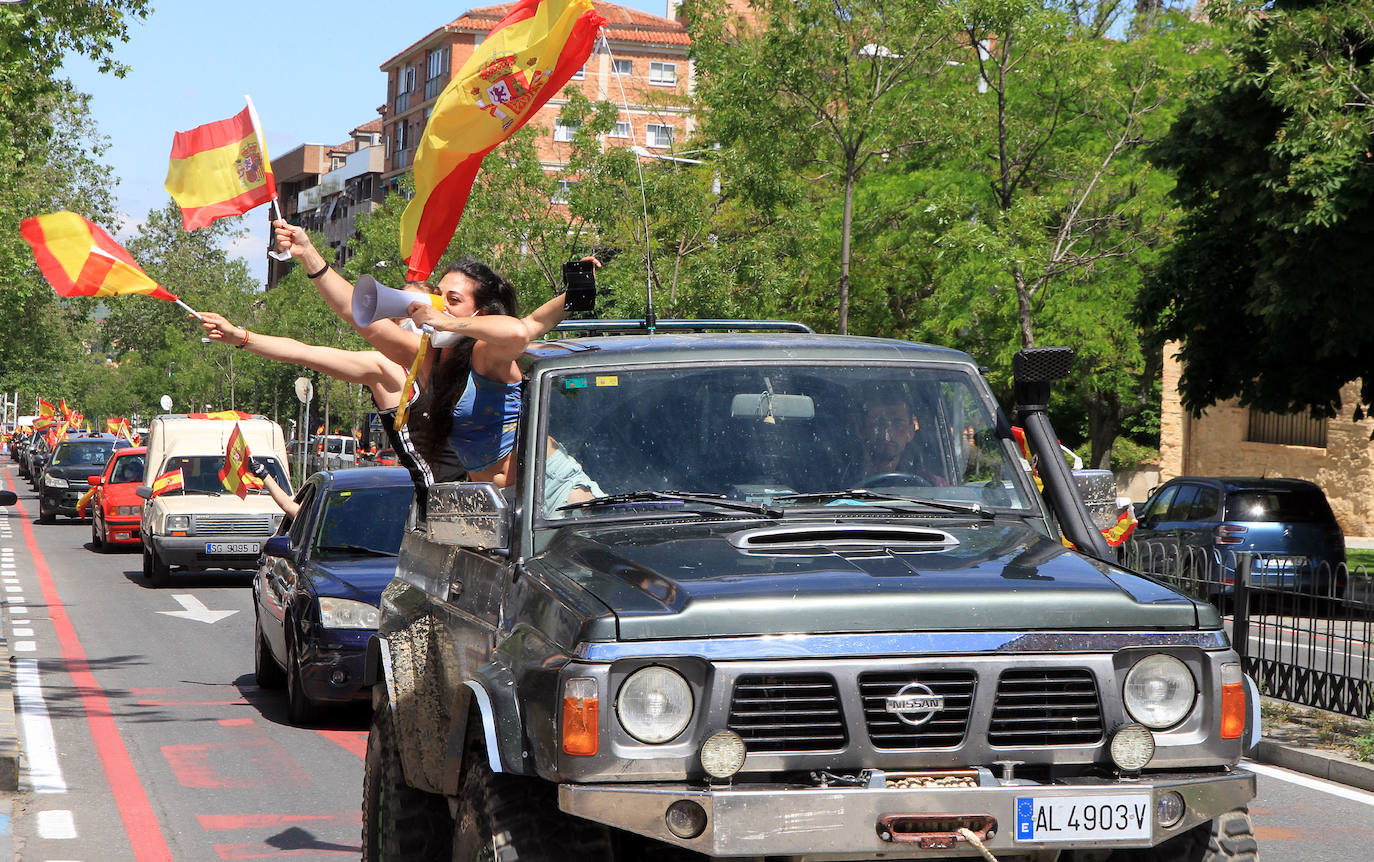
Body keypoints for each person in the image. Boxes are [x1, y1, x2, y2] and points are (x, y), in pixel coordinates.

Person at [271, 219, 598, 503]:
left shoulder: (484, 354)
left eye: (453, 301)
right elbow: (354, 311)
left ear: (479, 314)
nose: (439, 307)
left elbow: (518, 332)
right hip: (498, 503)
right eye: (438, 297)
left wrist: (443, 322)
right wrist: (308, 252)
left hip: (552, 491)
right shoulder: (426, 356)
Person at [196, 309, 437, 511]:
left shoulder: (467, 366)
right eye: (402, 314)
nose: (398, 325)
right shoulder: (393, 371)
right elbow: (305, 352)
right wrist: (241, 336)